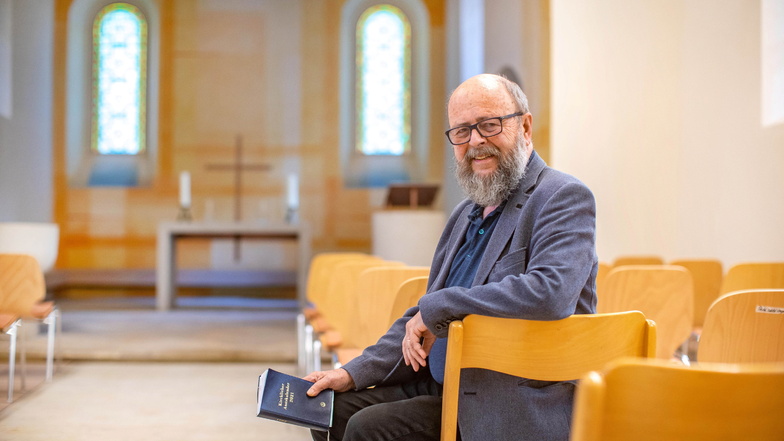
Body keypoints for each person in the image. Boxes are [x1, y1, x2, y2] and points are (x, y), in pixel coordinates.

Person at [304, 73, 598, 441]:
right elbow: (422, 317)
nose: (475, 141)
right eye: (461, 132)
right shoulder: (464, 214)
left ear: (524, 126)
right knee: (326, 411)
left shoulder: (562, 196)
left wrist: (440, 305)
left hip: (510, 396)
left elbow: (551, 292)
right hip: (446, 383)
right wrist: (351, 373)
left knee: (368, 428)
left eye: (489, 125)